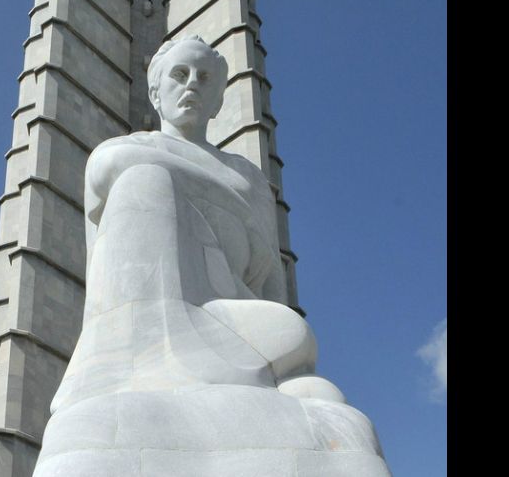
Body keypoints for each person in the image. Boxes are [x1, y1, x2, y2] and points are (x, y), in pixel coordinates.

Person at [33, 36, 390, 477]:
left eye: (205, 79)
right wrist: (218, 187)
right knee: (143, 182)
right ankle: (148, 376)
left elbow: (272, 296)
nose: (192, 86)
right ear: (156, 92)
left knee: (313, 373)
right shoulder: (130, 152)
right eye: (179, 76)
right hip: (150, 324)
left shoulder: (250, 179)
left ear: (220, 100)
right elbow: (109, 167)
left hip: (232, 320)